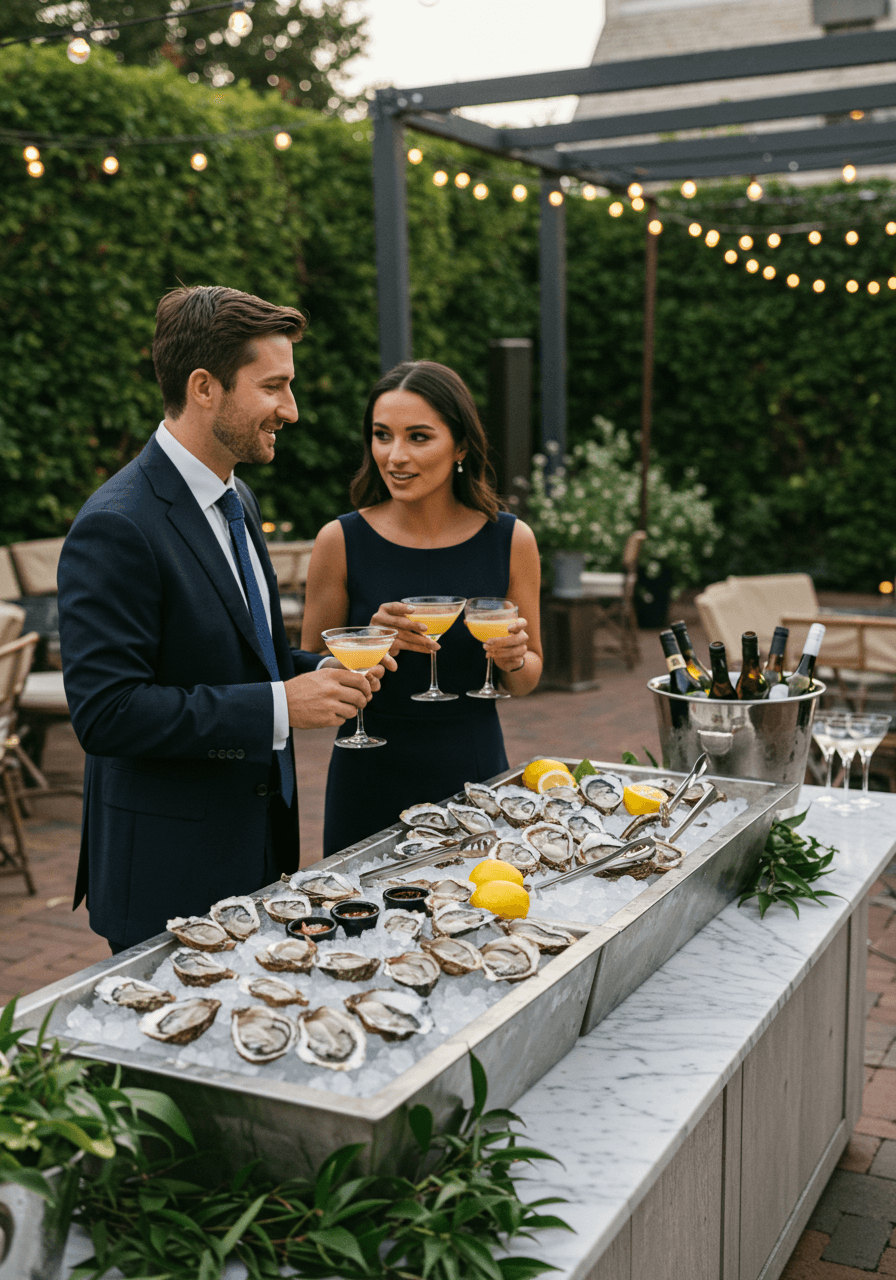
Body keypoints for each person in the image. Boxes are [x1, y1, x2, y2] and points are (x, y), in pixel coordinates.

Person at [58, 285, 393, 951]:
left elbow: (251, 661)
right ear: (205, 386)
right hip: (168, 874)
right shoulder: (117, 524)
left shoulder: (235, 495)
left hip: (253, 853)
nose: (290, 410)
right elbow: (107, 713)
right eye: (273, 386)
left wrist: (326, 670)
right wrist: (280, 705)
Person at [301, 360, 543, 857]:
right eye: (382, 435)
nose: (395, 456)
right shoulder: (340, 541)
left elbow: (528, 677)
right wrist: (367, 640)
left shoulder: (510, 540)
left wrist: (514, 658)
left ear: (460, 446)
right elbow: (309, 673)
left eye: (418, 437)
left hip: (473, 776)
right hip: (368, 778)